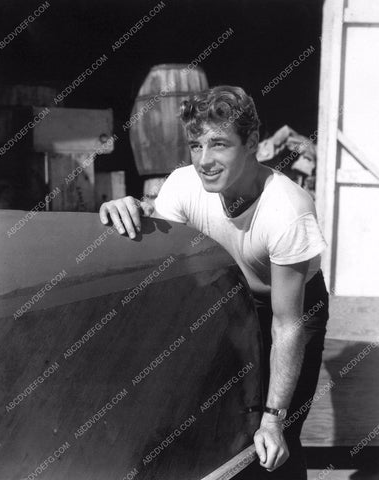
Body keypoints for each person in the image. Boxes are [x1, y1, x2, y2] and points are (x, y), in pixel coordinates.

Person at [99, 86, 329, 479]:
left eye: (219, 144)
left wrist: (273, 419)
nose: (204, 161)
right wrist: (131, 208)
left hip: (289, 310)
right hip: (229, 304)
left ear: (252, 142)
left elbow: (285, 323)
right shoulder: (184, 185)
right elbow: (156, 243)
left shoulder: (288, 210)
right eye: (195, 146)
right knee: (215, 423)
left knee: (275, 437)